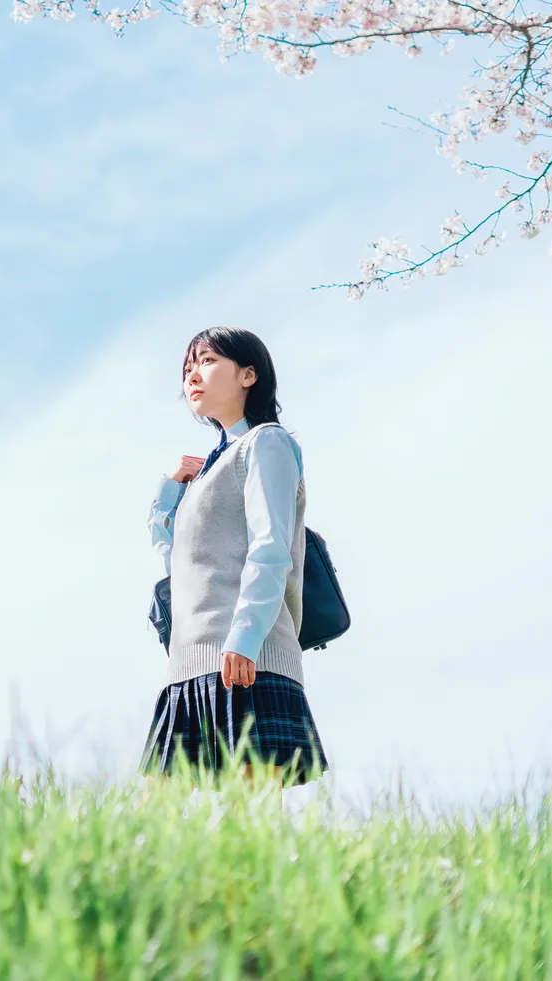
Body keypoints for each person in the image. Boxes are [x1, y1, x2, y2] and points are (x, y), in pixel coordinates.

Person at [141, 326, 327, 783]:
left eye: (206, 361)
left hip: (248, 658)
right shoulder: (206, 472)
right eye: (188, 367)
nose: (192, 376)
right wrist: (169, 488)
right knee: (153, 813)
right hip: (188, 665)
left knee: (250, 815)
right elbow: (175, 560)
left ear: (248, 374)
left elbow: (270, 547)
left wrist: (244, 637)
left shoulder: (266, 443)